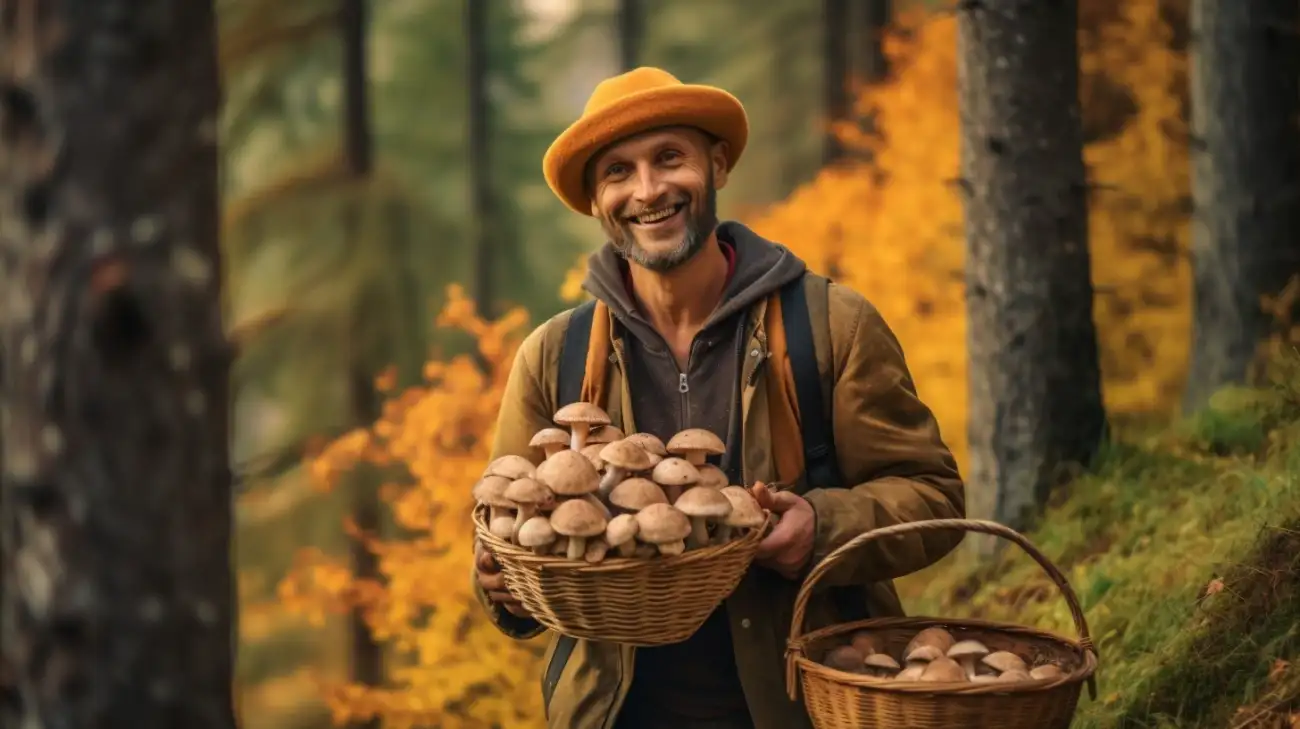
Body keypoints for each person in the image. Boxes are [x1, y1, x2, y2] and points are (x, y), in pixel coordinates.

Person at [472, 67, 966, 729]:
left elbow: (935, 497)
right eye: (617, 171)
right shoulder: (553, 358)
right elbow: (507, 537)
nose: (647, 190)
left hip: (804, 705)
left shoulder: (829, 326)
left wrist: (821, 528)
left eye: (669, 158)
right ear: (596, 200)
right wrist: (501, 586)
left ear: (719, 164)